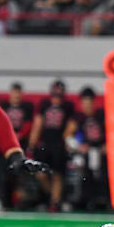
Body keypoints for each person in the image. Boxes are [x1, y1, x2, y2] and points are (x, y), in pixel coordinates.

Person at [29, 80, 77, 211]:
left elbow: (72, 124)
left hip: (58, 144)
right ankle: (53, 197)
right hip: (44, 143)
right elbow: (38, 123)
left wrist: (65, 138)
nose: (56, 99)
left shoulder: (68, 106)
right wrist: (32, 142)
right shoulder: (44, 104)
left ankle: (54, 203)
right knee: (41, 174)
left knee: (57, 174)